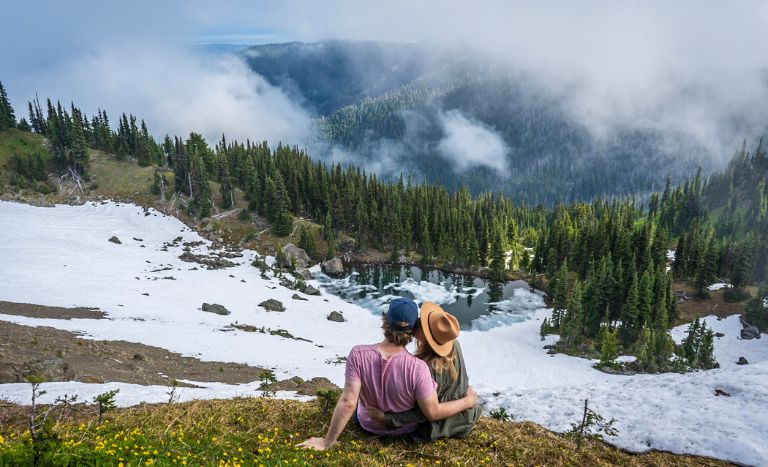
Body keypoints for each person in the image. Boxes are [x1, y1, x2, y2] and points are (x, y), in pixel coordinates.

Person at [298, 297, 477, 450]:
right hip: (405, 429)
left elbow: (348, 403)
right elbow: (431, 411)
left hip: (367, 424)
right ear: (413, 330)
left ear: (385, 322)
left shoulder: (358, 354)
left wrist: (327, 442)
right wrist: (468, 401)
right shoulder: (419, 367)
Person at [367, 302, 481, 441]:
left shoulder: (425, 367)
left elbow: (424, 413)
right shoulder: (452, 343)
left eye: (423, 326)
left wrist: (386, 418)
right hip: (466, 414)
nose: (416, 324)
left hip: (444, 423)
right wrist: (467, 397)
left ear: (428, 339)